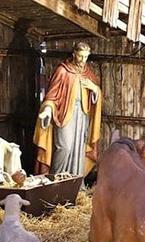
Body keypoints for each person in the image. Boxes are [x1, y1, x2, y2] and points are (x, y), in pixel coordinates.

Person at [33, 42, 102, 177]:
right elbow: (51, 96)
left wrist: (94, 89)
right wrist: (47, 110)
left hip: (82, 116)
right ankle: (56, 180)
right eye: (80, 56)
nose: (83, 61)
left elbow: (96, 97)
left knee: (78, 150)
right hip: (64, 116)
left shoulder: (88, 74)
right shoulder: (63, 71)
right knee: (64, 147)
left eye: (86, 57)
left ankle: (74, 183)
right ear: (74, 54)